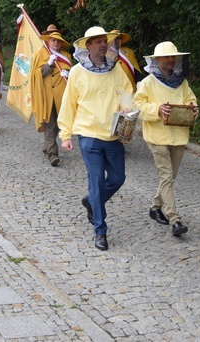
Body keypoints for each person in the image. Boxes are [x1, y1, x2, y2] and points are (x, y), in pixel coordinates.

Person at [58, 26, 133, 251]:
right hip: (88, 135)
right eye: (97, 41)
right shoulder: (77, 72)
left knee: (118, 178)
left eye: (104, 41)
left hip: (113, 135)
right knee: (97, 183)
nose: (102, 45)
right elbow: (68, 103)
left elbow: (127, 94)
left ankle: (91, 202)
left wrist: (128, 111)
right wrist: (65, 134)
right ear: (87, 45)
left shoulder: (116, 69)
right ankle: (100, 231)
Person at [133, 41, 198, 237]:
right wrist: (157, 109)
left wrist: (194, 110)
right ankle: (174, 220)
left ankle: (155, 207)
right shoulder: (147, 82)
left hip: (178, 136)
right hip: (157, 136)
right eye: (166, 57)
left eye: (173, 57)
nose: (170, 60)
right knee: (166, 177)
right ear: (157, 60)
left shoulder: (182, 82)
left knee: (170, 178)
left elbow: (191, 101)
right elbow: (138, 105)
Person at [29, 30, 73, 167]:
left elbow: (73, 76)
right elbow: (35, 75)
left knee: (58, 125)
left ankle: (48, 145)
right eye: (53, 40)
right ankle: (53, 153)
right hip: (46, 95)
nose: (56, 43)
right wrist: (48, 65)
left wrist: (69, 73)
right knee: (49, 123)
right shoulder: (41, 54)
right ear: (48, 41)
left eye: (58, 41)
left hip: (62, 96)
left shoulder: (66, 56)